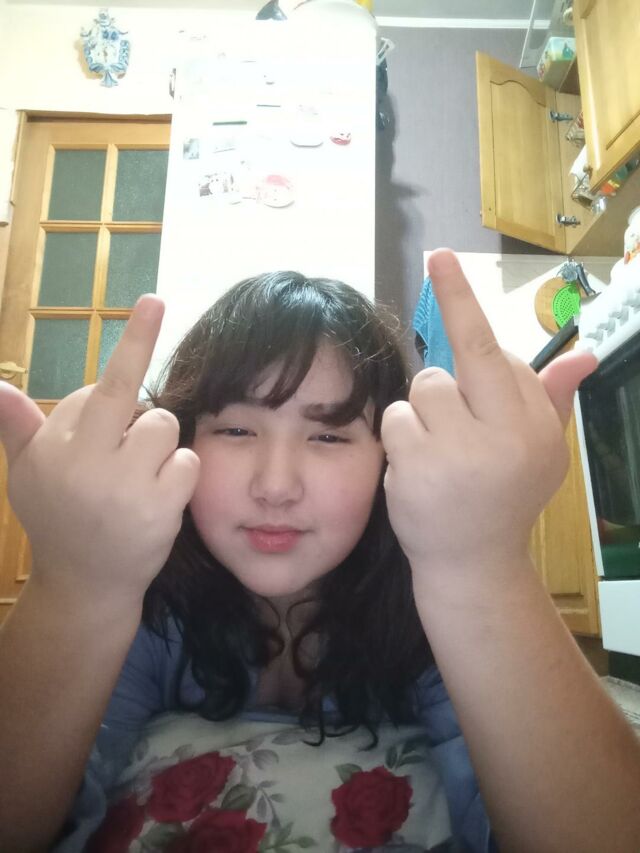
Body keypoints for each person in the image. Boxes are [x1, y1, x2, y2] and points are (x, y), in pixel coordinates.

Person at [0, 250, 639, 852]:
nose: (276, 486)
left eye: (329, 436)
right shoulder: (147, 599)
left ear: (391, 457)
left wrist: (485, 568)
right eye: (237, 429)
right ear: (183, 441)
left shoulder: (429, 604)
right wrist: (74, 586)